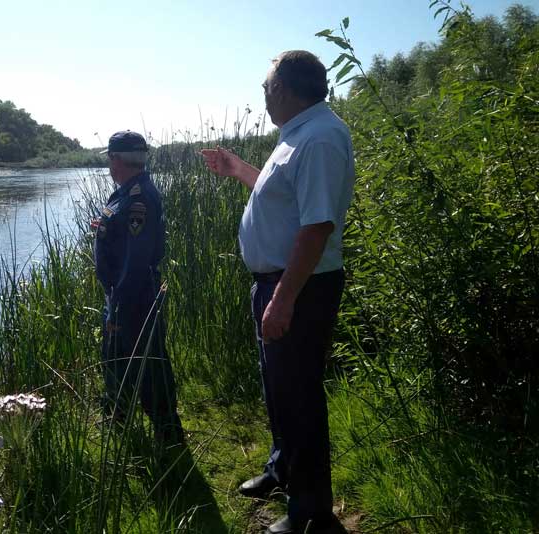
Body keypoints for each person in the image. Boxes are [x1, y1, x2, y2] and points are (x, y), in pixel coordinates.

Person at [202, 50, 354, 534]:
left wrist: (283, 299)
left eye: (266, 87)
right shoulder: (297, 135)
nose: (264, 96)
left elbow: (316, 227)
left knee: (299, 397)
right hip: (279, 284)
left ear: (284, 89)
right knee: (279, 391)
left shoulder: (321, 138)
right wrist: (237, 169)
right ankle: (282, 470)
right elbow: (283, 198)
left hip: (300, 288)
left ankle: (311, 514)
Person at [93, 130, 183, 444]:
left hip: (133, 296)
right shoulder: (128, 191)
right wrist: (105, 229)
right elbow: (127, 238)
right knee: (115, 357)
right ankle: (118, 416)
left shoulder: (137, 199)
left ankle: (167, 432)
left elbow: (135, 258)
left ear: (117, 160)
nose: (109, 165)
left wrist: (117, 307)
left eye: (110, 158)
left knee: (148, 363)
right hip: (124, 294)